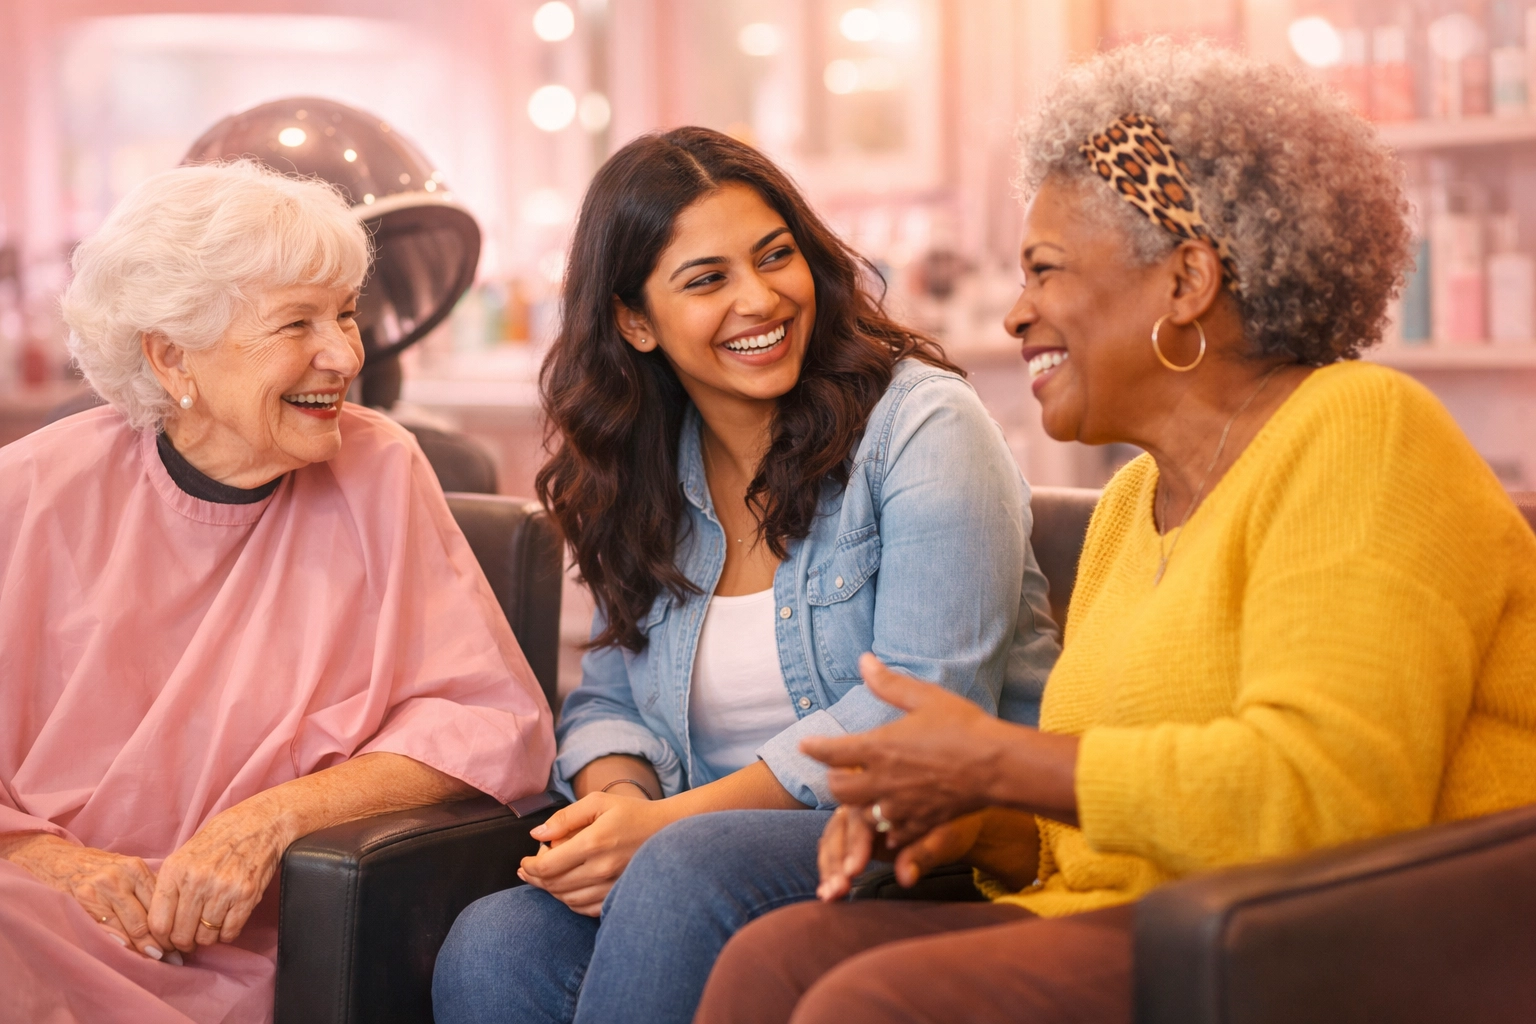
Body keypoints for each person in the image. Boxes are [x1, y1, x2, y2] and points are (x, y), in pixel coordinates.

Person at [695, 40, 1536, 1024]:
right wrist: (965, 822)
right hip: (1155, 920)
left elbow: (1325, 798)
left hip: (1350, 949)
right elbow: (1095, 831)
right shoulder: (1132, 506)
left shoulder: (1362, 430)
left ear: (1186, 283)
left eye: (1044, 270)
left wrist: (995, 759)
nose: (1015, 314)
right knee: (777, 959)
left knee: (874, 1001)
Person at [431, 127, 1059, 1024]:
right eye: (706, 279)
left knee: (687, 873)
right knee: (497, 944)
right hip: (688, 853)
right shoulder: (639, 468)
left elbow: (922, 708)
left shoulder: (922, 424)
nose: (761, 298)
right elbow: (608, 698)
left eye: (776, 256)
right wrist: (617, 808)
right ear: (634, 321)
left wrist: (664, 831)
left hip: (924, 841)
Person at [0, 160, 555, 1024]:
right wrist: (51, 862)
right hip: (40, 908)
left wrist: (267, 821)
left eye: (344, 315)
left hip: (245, 945)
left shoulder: (379, 471)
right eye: (297, 323)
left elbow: (490, 723)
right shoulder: (32, 489)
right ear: (171, 353)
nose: (343, 354)